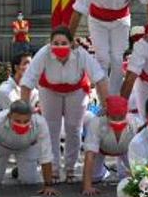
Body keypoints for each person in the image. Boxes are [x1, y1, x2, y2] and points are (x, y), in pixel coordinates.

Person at [19, 28, 110, 183]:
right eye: (56, 43)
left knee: (74, 128)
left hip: (76, 90)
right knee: (50, 128)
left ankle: (71, 169)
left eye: (64, 43)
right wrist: (24, 111)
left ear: (71, 44)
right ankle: (53, 169)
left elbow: (100, 78)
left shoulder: (81, 54)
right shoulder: (43, 53)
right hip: (49, 90)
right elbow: (27, 82)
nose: (59, 47)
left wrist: (105, 104)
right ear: (50, 44)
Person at [0, 100, 59, 196]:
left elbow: (46, 155)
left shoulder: (40, 123)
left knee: (30, 181)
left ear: (31, 117)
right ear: (9, 116)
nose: (22, 124)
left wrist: (48, 185)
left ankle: (20, 169)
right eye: (17, 121)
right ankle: (12, 169)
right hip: (2, 147)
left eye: (26, 121)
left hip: (27, 147)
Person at [80, 95, 136, 194]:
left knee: (135, 176)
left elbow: (142, 152)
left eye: (121, 117)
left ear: (127, 113)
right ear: (107, 114)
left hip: (126, 150)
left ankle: (122, 169)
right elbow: (90, 156)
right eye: (114, 117)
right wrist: (87, 187)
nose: (118, 121)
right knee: (94, 178)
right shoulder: (96, 122)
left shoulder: (135, 123)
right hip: (101, 150)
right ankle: (104, 171)